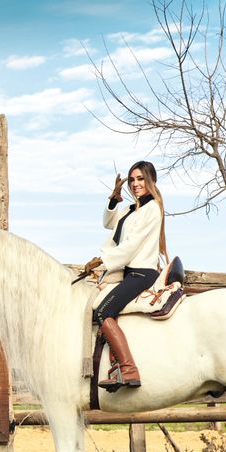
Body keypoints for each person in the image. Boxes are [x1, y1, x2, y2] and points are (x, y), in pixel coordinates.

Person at [83, 160, 168, 389]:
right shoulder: (131, 210)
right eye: (132, 180)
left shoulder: (152, 209)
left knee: (103, 311)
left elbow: (131, 246)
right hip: (128, 272)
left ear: (151, 180)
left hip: (141, 273)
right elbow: (108, 223)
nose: (135, 184)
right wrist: (114, 199)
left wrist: (102, 260)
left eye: (140, 179)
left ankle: (129, 369)